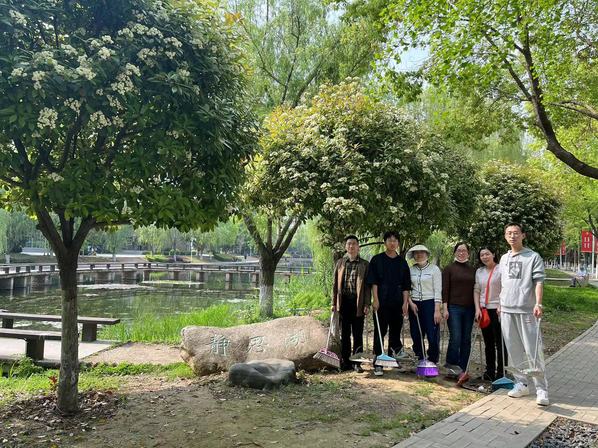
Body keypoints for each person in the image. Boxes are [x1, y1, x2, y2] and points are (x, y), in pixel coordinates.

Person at [499, 223, 549, 406]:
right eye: (509, 233)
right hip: (506, 310)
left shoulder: (533, 256)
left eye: (516, 233)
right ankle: (521, 384)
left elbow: (539, 281)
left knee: (532, 350)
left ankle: (542, 389)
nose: (512, 236)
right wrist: (500, 303)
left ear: (523, 235)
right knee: (513, 351)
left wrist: (538, 303)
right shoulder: (504, 258)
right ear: (505, 236)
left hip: (527, 310)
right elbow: (503, 283)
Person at [367, 231, 411, 376]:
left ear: (398, 243)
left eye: (395, 240)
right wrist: (375, 299)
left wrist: (405, 303)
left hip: (397, 301)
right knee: (380, 331)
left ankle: (392, 358)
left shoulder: (402, 263)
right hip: (382, 301)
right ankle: (378, 362)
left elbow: (406, 286)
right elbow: (374, 282)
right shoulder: (377, 260)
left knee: (395, 331)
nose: (392, 243)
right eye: (389, 240)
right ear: (385, 242)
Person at [332, 235, 371, 372]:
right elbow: (335, 284)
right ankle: (346, 361)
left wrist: (367, 304)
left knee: (358, 333)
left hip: (358, 302)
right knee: (345, 333)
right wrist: (333, 303)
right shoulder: (340, 263)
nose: (351, 246)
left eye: (354, 243)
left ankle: (357, 362)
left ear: (358, 247)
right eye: (349, 244)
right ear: (345, 247)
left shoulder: (365, 264)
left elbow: (367, 287)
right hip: (343, 302)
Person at [442, 242, 476, 375]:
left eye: (464, 250)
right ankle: (451, 366)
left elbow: (476, 290)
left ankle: (463, 368)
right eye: (459, 250)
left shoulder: (473, 270)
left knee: (466, 339)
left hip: (470, 309)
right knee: (456, 337)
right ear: (455, 252)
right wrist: (445, 308)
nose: (461, 253)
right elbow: (445, 290)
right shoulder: (449, 269)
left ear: (468, 253)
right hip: (453, 308)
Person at [406, 244, 442, 366]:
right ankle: (420, 357)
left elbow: (438, 290)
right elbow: (406, 288)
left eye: (422, 252)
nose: (419, 255)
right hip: (414, 304)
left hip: (430, 304)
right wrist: (410, 303)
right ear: (413, 256)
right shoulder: (410, 270)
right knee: (416, 333)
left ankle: (432, 359)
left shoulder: (434, 269)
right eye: (416, 253)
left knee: (432, 334)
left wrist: (437, 310)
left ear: (427, 254)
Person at [474, 247, 505, 381]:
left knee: (500, 342)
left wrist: (501, 304)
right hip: (484, 310)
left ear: (493, 254)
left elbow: (505, 288)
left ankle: (502, 372)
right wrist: (477, 309)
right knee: (488, 342)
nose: (485, 257)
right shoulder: (479, 271)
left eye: (487, 254)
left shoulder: (501, 269)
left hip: (497, 309)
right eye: (482, 255)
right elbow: (477, 290)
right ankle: (490, 371)